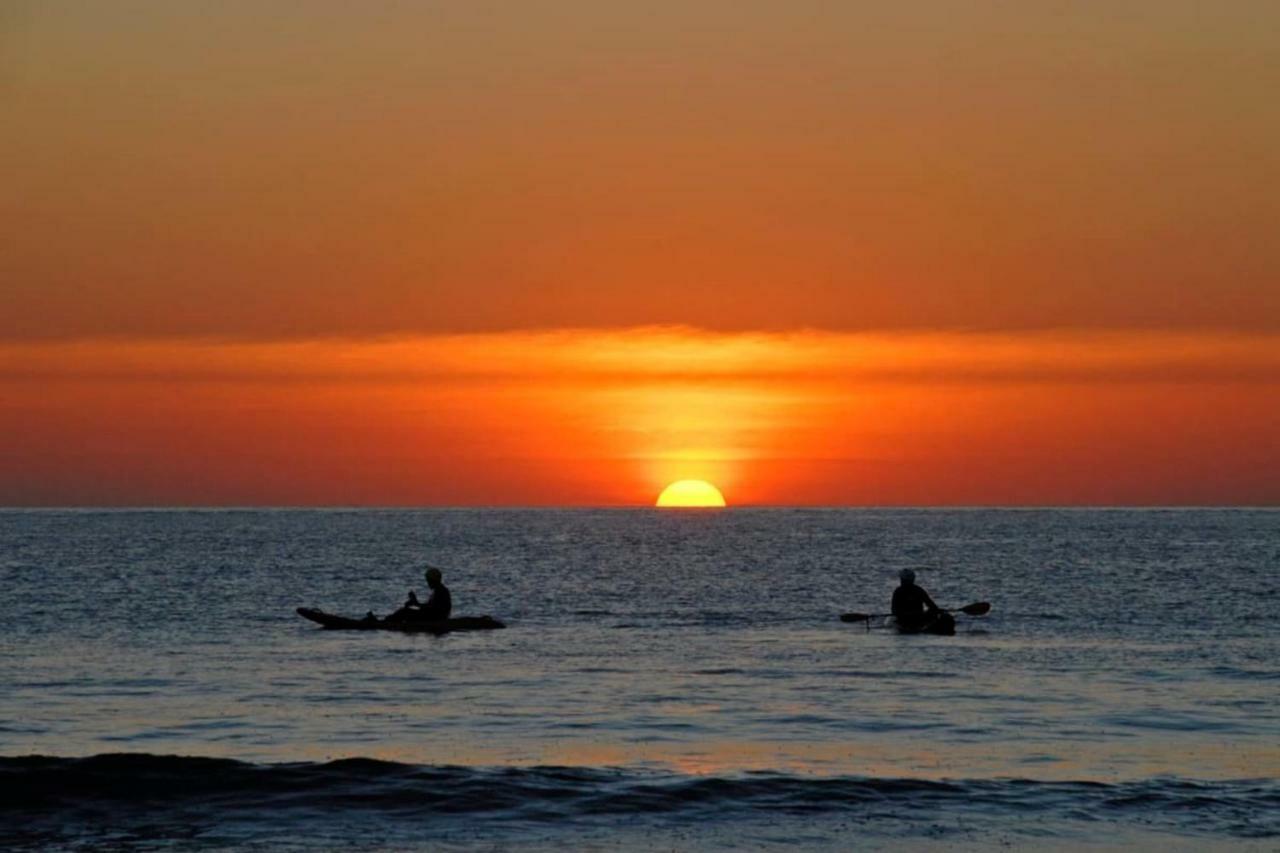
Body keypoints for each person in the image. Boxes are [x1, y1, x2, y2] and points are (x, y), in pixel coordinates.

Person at [383, 567, 453, 624]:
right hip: (434, 617)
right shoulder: (438, 590)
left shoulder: (441, 591)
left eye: (428, 580)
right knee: (405, 612)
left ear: (433, 580)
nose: (427, 582)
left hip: (435, 619)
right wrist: (415, 603)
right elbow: (430, 607)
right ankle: (388, 621)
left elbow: (433, 609)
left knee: (404, 612)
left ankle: (385, 622)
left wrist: (416, 603)